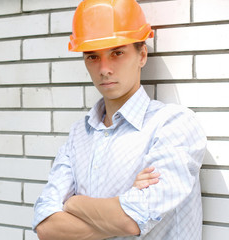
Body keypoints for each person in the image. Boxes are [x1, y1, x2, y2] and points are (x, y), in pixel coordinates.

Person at [32, 0, 207, 239]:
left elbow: (132, 220)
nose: (104, 69)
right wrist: (120, 207)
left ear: (142, 55)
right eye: (93, 57)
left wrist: (74, 204)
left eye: (117, 53)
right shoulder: (79, 134)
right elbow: (46, 226)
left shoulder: (172, 125)